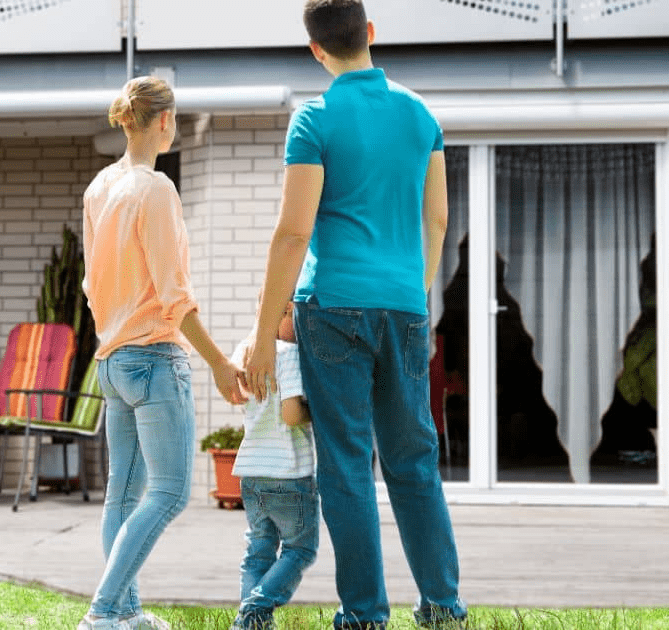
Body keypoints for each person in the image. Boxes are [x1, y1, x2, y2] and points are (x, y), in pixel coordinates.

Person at [243, 1, 466, 628]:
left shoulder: (313, 118)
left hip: (333, 309)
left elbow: (293, 233)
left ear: (315, 50)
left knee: (346, 465)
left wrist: (264, 337)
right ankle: (443, 606)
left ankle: (366, 613)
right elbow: (439, 218)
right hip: (401, 307)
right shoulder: (420, 114)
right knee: (412, 461)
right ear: (370, 34)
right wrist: (413, 291)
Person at [78, 76, 247, 630]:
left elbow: (89, 286)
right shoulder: (156, 190)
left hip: (112, 362)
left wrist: (113, 338)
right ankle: (103, 612)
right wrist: (221, 363)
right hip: (152, 359)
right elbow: (175, 297)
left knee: (122, 497)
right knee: (171, 493)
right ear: (164, 121)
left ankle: (125, 614)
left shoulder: (100, 188)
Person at [229, 300, 319, 630]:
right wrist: (318, 415)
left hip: (252, 472)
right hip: (289, 473)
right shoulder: (288, 354)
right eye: (299, 315)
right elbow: (291, 414)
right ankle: (253, 609)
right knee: (301, 549)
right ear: (283, 313)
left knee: (258, 552)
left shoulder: (246, 349)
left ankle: (252, 623)